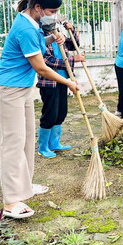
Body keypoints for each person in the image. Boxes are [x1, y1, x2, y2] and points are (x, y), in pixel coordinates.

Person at [0, 0, 79, 219]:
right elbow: (41, 66)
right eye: (51, 11)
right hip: (7, 91)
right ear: (38, 7)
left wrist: (51, 39)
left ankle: (25, 186)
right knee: (12, 143)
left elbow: (37, 48)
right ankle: (10, 201)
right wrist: (68, 82)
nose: (54, 15)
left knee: (28, 139)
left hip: (21, 90)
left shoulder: (33, 23)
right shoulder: (26, 28)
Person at [36, 20, 85, 158]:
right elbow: (47, 61)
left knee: (61, 112)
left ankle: (54, 143)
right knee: (50, 114)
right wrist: (73, 59)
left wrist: (72, 30)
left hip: (64, 80)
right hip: (49, 82)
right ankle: (43, 147)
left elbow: (73, 44)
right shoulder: (40, 38)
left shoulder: (58, 34)